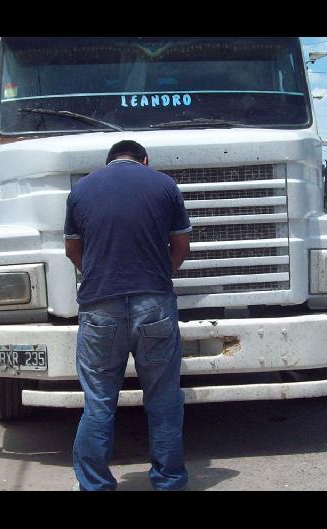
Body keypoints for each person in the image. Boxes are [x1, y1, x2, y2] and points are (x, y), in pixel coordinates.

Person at [63, 139, 192, 491]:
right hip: (154, 306)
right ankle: (168, 482)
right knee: (164, 399)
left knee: (99, 401)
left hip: (99, 306)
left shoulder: (82, 189)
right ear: (144, 160)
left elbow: (73, 249)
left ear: (109, 162)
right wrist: (159, 274)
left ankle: (94, 485)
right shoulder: (165, 185)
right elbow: (181, 246)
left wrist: (98, 272)